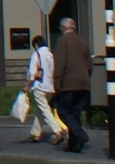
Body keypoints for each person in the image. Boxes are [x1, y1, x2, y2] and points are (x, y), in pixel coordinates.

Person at [52, 16, 93, 154]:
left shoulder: (63, 41)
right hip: (83, 83)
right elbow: (89, 65)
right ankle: (74, 144)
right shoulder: (83, 42)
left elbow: (59, 65)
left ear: (63, 28)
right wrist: (86, 77)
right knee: (75, 113)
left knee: (63, 111)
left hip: (68, 83)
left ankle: (80, 134)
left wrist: (57, 83)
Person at [24, 32, 64, 145]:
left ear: (36, 45)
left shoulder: (36, 54)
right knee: (40, 110)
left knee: (45, 110)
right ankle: (35, 134)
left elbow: (32, 73)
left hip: (39, 86)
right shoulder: (51, 54)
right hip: (50, 87)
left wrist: (27, 86)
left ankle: (57, 131)